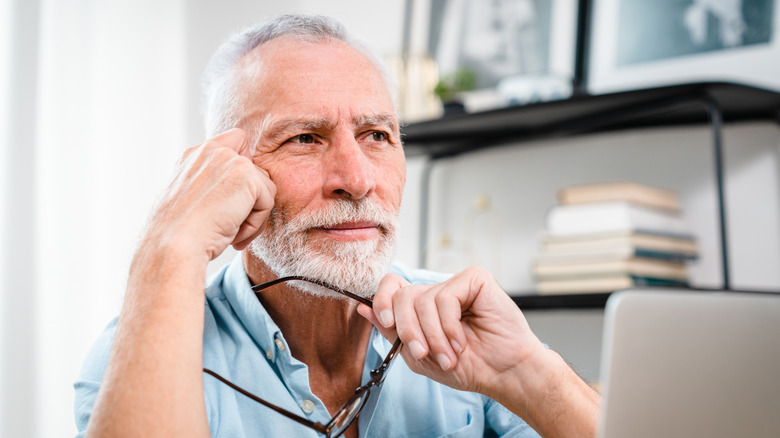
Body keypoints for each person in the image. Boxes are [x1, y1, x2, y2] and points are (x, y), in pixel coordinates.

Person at [74, 14, 599, 438]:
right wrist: (168, 247)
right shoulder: (137, 356)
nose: (357, 179)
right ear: (225, 174)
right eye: (304, 138)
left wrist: (526, 375)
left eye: (376, 135)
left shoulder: (461, 328)